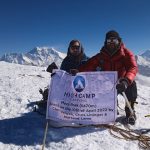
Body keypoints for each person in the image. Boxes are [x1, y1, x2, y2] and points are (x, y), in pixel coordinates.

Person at [79, 30, 138, 125]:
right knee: (110, 109)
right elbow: (89, 66)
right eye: (108, 41)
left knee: (132, 87)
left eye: (114, 41)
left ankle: (129, 111)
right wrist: (78, 72)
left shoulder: (126, 53)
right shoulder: (101, 55)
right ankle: (112, 107)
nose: (111, 43)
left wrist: (126, 81)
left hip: (122, 82)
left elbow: (133, 67)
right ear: (105, 42)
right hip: (107, 84)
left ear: (119, 41)